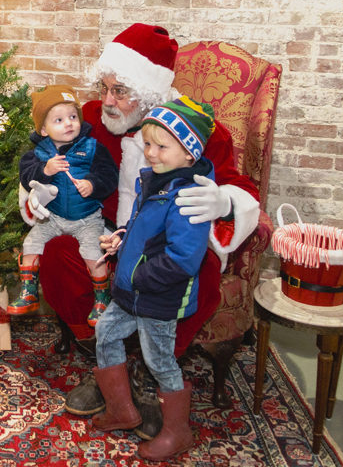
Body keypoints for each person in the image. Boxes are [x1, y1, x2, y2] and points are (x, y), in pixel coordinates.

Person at [21, 24, 260, 421]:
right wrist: (38, 191)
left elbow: (238, 188)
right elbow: (46, 153)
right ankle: (106, 359)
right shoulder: (94, 120)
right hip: (110, 228)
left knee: (202, 269)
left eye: (120, 91)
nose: (107, 101)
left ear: (149, 94)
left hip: (169, 239)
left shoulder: (198, 130)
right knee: (57, 248)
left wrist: (223, 201)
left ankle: (150, 366)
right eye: (105, 88)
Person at [92, 97, 216, 462]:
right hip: (132, 290)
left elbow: (183, 258)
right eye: (147, 143)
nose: (150, 153)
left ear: (189, 153)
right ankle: (121, 409)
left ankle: (177, 431)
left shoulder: (190, 197)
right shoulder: (156, 181)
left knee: (159, 360)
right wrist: (122, 237)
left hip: (158, 296)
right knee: (106, 332)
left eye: (162, 146)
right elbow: (146, 230)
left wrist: (139, 275)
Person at [9, 86, 119, 326]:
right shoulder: (38, 154)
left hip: (87, 218)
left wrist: (93, 184)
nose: (69, 123)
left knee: (92, 253)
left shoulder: (92, 147)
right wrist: (45, 170)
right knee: (31, 243)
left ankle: (102, 300)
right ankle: (28, 292)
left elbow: (110, 175)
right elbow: (27, 177)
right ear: (43, 129)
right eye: (58, 120)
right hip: (53, 218)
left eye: (72, 117)